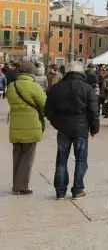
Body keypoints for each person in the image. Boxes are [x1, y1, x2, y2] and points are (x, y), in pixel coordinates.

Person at [44, 61, 100, 200]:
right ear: (81, 72)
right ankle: (78, 189)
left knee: (61, 160)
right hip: (81, 129)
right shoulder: (87, 88)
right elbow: (94, 111)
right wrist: (94, 128)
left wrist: (57, 123)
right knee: (81, 160)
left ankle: (60, 191)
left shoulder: (56, 88)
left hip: (63, 129)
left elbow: (48, 111)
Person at [6, 61, 46, 195]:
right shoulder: (34, 86)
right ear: (31, 72)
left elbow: (10, 101)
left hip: (16, 126)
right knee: (27, 156)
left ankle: (15, 184)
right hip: (31, 125)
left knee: (17, 155)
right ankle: (21, 186)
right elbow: (43, 103)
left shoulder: (12, 85)